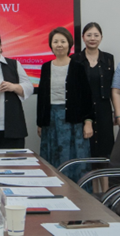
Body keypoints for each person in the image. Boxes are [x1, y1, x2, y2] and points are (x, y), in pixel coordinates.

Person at [37, 27, 93, 184]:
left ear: (69, 44)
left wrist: (88, 122)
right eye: (56, 42)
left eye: (63, 41)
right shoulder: (46, 67)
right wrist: (40, 122)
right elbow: (42, 96)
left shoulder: (78, 67)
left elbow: (87, 97)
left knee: (72, 158)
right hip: (51, 120)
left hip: (73, 120)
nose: (59, 45)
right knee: (52, 157)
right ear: (51, 45)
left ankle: (76, 192)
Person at [72, 22, 115, 158]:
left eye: (96, 35)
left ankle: (103, 173)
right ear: (83, 37)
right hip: (83, 110)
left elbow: (113, 87)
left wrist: (116, 112)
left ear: (101, 37)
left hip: (104, 110)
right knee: (84, 149)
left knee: (105, 150)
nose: (92, 38)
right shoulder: (75, 59)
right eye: (89, 35)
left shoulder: (108, 59)